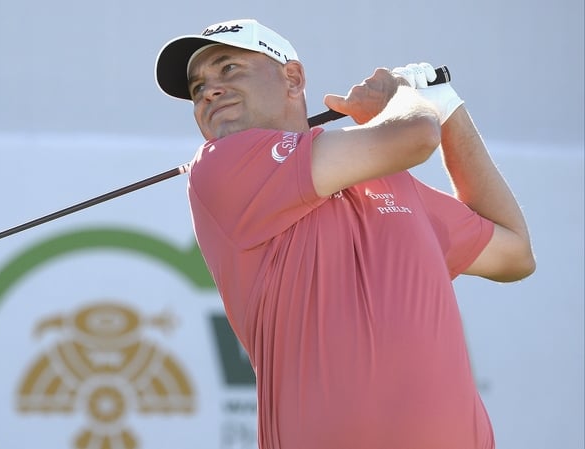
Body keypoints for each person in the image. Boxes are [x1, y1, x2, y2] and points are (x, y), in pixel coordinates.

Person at [154, 18, 535, 449]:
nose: (208, 90)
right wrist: (403, 99)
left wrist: (449, 110)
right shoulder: (222, 164)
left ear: (292, 77)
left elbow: (514, 253)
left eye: (228, 69)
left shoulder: (394, 182)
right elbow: (414, 135)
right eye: (197, 86)